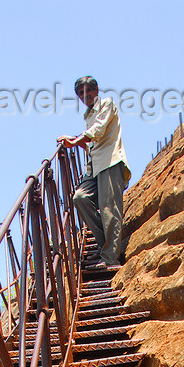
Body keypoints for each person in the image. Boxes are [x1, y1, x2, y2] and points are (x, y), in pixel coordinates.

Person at [57, 76, 131, 267]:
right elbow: (92, 143)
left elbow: (99, 129)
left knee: (109, 209)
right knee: (79, 198)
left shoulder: (107, 104)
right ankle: (106, 247)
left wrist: (75, 140)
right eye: (81, 93)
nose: (85, 95)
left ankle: (110, 258)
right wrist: (75, 140)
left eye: (88, 91)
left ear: (96, 90)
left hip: (110, 161)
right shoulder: (88, 115)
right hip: (94, 166)